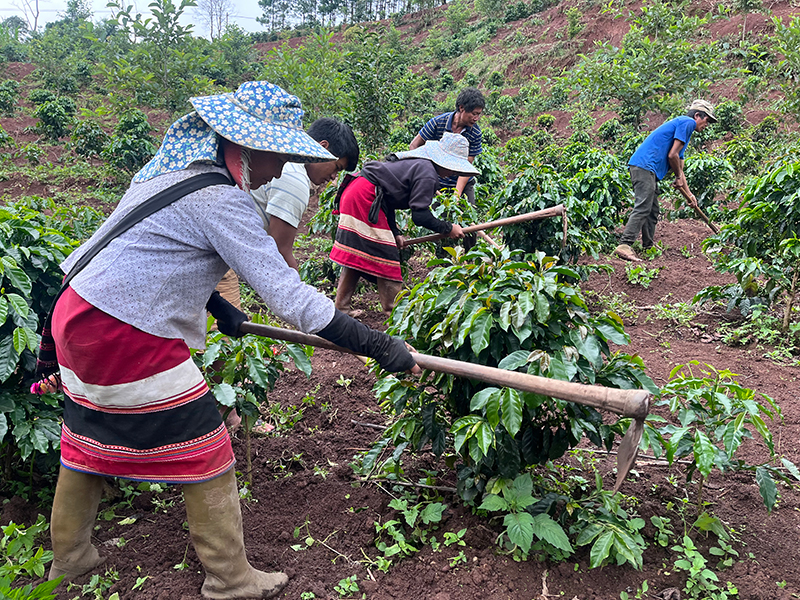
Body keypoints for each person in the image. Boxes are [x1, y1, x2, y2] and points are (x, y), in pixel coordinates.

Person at [41, 81, 418, 600]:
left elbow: (150, 254)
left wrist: (218, 307)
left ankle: (72, 559)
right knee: (206, 447)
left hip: (77, 311)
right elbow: (290, 298)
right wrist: (377, 345)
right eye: (277, 154)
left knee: (87, 435)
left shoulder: (172, 174)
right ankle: (230, 579)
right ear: (246, 146)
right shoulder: (222, 199)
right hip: (119, 327)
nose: (279, 166)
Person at [213, 118, 358, 307]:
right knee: (221, 333)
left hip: (217, 242)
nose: (333, 177)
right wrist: (303, 302)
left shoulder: (289, 165)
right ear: (323, 147)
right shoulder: (295, 180)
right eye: (336, 168)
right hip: (216, 247)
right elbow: (279, 250)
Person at [330, 132, 475, 316]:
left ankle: (340, 309)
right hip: (364, 197)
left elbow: (387, 199)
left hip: (358, 191)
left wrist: (395, 232)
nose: (453, 173)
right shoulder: (427, 173)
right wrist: (448, 228)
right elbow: (420, 216)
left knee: (356, 254)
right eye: (453, 168)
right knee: (387, 255)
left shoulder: (421, 165)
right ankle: (396, 312)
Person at [614, 99, 717, 262]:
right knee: (644, 205)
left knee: (653, 210)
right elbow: (672, 156)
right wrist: (676, 177)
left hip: (647, 169)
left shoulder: (685, 132)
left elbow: (680, 167)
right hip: (644, 166)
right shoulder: (687, 122)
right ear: (698, 115)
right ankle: (624, 245)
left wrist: (689, 195)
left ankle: (648, 247)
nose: (707, 125)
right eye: (707, 120)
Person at [409, 87, 484, 204]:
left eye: (479, 114)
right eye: (474, 114)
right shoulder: (437, 123)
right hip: (437, 181)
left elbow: (466, 167)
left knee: (467, 217)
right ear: (461, 108)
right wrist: (427, 176)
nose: (476, 118)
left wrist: (456, 195)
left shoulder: (475, 133)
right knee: (433, 217)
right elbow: (414, 146)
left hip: (462, 184)